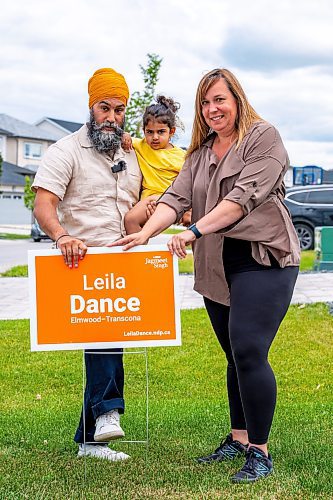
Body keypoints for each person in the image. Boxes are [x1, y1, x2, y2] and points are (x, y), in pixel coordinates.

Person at [110, 68, 300, 482]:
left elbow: (243, 197)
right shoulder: (199, 154)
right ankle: (238, 438)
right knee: (234, 355)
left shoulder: (262, 138)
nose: (212, 109)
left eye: (220, 100)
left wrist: (193, 229)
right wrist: (144, 232)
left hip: (263, 257)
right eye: (205, 102)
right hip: (215, 262)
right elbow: (175, 197)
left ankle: (260, 452)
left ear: (237, 100)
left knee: (249, 348)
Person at [32, 67, 142, 462]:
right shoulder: (64, 151)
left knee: (111, 342)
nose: (111, 117)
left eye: (119, 109)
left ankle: (89, 440)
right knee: (104, 339)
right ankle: (108, 412)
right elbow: (43, 204)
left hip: (128, 266)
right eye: (104, 108)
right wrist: (62, 236)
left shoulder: (133, 153)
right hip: (83, 265)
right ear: (90, 107)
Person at [123, 95, 187, 234]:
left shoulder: (181, 156)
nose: (155, 137)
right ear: (144, 131)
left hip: (167, 197)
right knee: (142, 230)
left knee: (130, 220)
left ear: (172, 131)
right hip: (147, 201)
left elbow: (190, 183)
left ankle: (137, 255)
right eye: (150, 132)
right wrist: (125, 135)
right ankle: (142, 252)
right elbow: (123, 137)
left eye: (161, 132)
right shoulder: (141, 146)